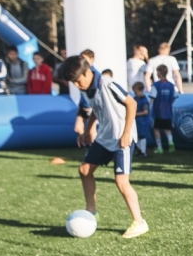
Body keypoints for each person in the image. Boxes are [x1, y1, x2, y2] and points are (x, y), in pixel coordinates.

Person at [61, 55, 148, 239]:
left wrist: (126, 133)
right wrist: (87, 130)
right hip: (105, 137)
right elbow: (95, 109)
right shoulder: (86, 87)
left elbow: (131, 103)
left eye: (78, 80)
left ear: (87, 72)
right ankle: (91, 211)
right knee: (84, 170)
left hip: (121, 138)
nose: (77, 85)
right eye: (73, 83)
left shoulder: (106, 83)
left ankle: (139, 222)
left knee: (121, 181)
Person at [151, 64, 177, 154]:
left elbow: (152, 98)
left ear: (160, 72)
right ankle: (171, 144)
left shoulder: (156, 85)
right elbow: (174, 96)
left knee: (156, 129)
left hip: (158, 111)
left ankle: (159, 147)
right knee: (167, 129)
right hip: (168, 111)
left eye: (157, 72)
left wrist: (149, 106)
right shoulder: (171, 85)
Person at [132, 82, 153, 157]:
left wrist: (135, 114)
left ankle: (143, 151)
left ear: (141, 90)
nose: (135, 94)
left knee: (142, 136)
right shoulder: (135, 98)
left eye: (136, 92)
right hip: (137, 121)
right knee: (136, 136)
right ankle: (139, 150)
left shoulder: (144, 101)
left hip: (142, 121)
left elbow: (145, 112)